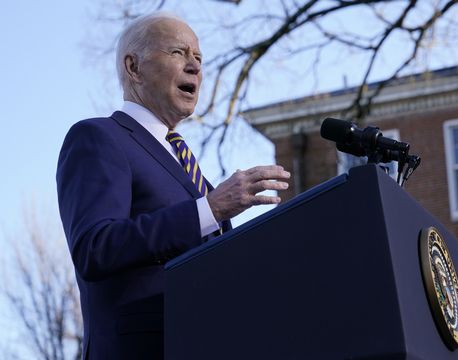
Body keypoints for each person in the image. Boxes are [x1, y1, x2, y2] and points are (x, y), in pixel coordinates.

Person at [56, 11, 290, 359]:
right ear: (133, 67)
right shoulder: (98, 137)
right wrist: (210, 209)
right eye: (179, 53)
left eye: (198, 58)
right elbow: (95, 247)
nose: (195, 66)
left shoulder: (191, 171)